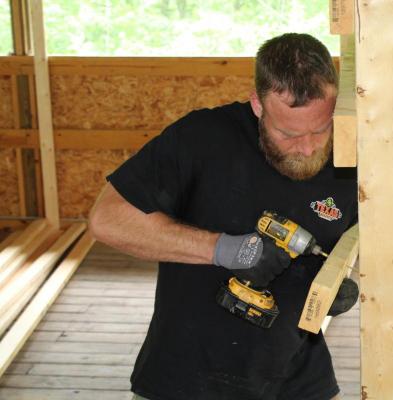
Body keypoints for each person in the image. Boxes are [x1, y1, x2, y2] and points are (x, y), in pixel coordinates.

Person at [89, 33, 358, 400]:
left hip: (294, 378)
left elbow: (360, 239)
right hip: (184, 378)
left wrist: (340, 280)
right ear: (258, 105)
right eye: (288, 133)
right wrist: (225, 249)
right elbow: (107, 220)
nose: (308, 146)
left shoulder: (350, 156)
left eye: (320, 129)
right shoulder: (202, 139)